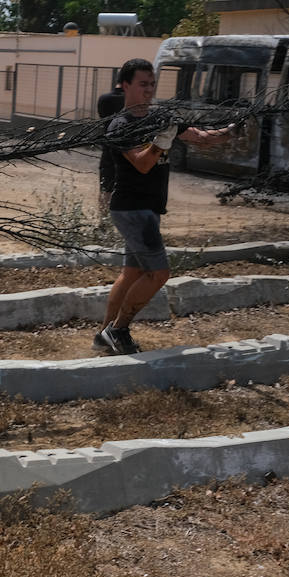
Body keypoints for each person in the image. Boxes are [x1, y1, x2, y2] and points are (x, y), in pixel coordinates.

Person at [95, 58, 234, 355]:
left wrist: (229, 131)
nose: (148, 89)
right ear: (125, 85)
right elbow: (144, 164)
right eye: (142, 84)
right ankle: (118, 330)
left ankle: (103, 334)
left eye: (152, 84)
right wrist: (162, 141)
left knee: (132, 272)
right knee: (159, 274)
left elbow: (199, 137)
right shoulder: (121, 125)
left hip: (147, 209)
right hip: (133, 209)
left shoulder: (160, 117)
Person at [96, 81, 126, 212]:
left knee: (105, 187)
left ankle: (104, 221)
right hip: (128, 148)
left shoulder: (104, 99)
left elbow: (102, 117)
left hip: (108, 147)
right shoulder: (130, 100)